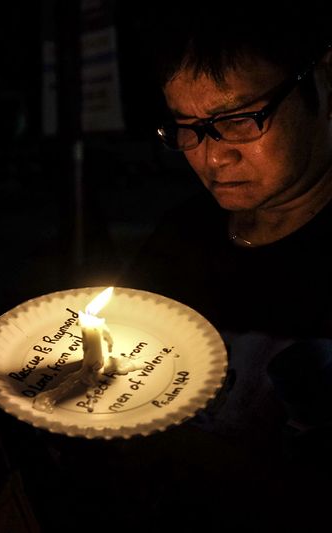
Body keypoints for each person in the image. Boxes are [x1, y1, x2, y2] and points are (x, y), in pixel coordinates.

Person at [116, 0, 332, 523]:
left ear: (324, 83)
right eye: (186, 126)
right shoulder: (180, 237)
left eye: (238, 120)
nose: (212, 157)